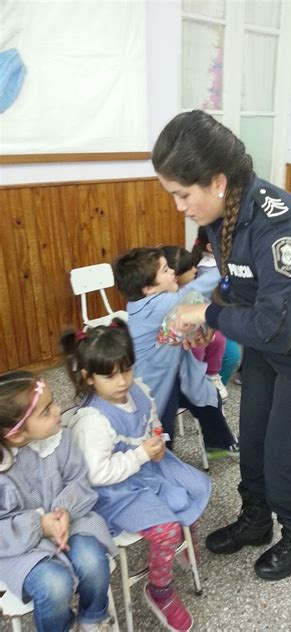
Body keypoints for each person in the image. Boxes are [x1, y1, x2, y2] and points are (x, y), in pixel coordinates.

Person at [151, 110, 291, 582]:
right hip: (268, 339)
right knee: (255, 437)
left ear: (217, 181)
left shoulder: (284, 226)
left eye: (183, 194)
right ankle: (256, 520)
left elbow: (274, 326)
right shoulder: (223, 214)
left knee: (286, 452)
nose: (179, 206)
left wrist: (209, 315)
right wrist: (212, 313)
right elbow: (237, 284)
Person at [61, 320, 211, 632]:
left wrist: (155, 437)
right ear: (88, 378)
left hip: (148, 466)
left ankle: (183, 538)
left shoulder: (137, 389)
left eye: (126, 369)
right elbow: (98, 473)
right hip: (117, 491)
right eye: (110, 375)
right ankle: (159, 590)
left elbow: (150, 417)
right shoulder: (92, 421)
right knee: (167, 528)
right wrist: (142, 454)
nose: (122, 381)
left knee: (193, 486)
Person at [0, 371, 116, 632]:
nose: (59, 409)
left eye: (53, 402)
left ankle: (92, 618)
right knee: (55, 585)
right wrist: (39, 526)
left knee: (93, 562)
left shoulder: (59, 439)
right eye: (46, 410)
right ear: (17, 435)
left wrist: (64, 509)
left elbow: (78, 479)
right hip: (18, 548)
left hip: (71, 521)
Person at [113, 246, 238, 456]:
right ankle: (162, 469)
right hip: (154, 384)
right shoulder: (156, 305)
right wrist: (228, 265)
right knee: (162, 427)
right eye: (164, 270)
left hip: (175, 373)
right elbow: (196, 291)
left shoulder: (147, 302)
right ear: (148, 288)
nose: (173, 272)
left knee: (209, 398)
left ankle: (219, 444)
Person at [162, 244, 229, 402]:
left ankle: (211, 375)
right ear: (176, 275)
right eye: (189, 268)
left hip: (198, 328)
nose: (195, 269)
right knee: (195, 347)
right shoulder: (168, 297)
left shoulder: (192, 288)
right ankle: (197, 381)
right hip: (175, 347)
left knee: (218, 339)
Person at [192, 227, 242, 388]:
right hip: (208, 321)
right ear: (210, 247)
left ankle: (215, 384)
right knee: (229, 353)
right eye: (228, 242)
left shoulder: (218, 264)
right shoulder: (208, 270)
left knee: (232, 354)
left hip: (218, 320)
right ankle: (208, 386)